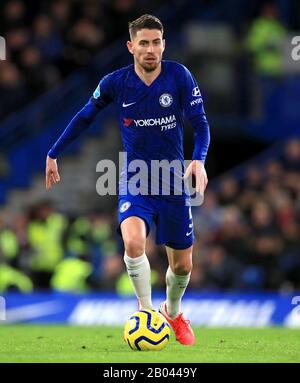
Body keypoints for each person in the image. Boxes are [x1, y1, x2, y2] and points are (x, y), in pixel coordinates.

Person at [45, 14, 210, 345]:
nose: (151, 49)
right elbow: (84, 117)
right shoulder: (115, 83)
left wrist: (199, 161)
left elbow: (200, 123)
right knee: (134, 243)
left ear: (164, 44)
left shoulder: (179, 76)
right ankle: (147, 312)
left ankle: (173, 313)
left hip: (173, 182)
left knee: (181, 266)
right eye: (144, 43)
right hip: (135, 178)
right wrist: (53, 152)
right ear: (131, 46)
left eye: (156, 42)